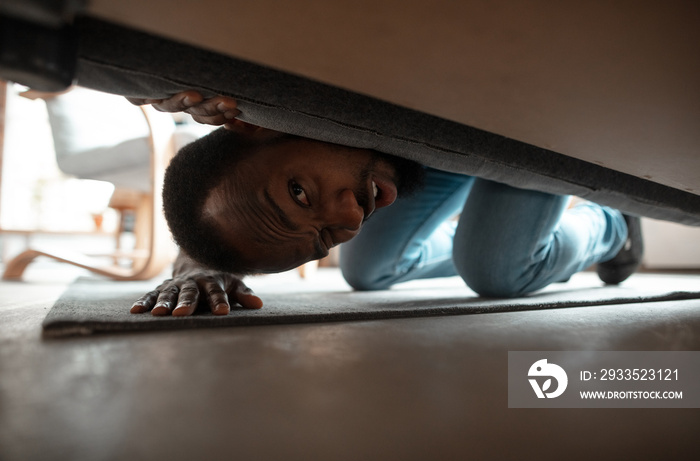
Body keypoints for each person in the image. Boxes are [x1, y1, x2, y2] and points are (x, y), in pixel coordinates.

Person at [128, 91, 643, 317]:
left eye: (298, 192)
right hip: (420, 154)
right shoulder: (353, 187)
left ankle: (612, 223)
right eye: (322, 239)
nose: (352, 217)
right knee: (368, 270)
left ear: (255, 123)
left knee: (496, 274)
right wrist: (200, 264)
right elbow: (227, 208)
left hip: (517, 123)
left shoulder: (270, 87)